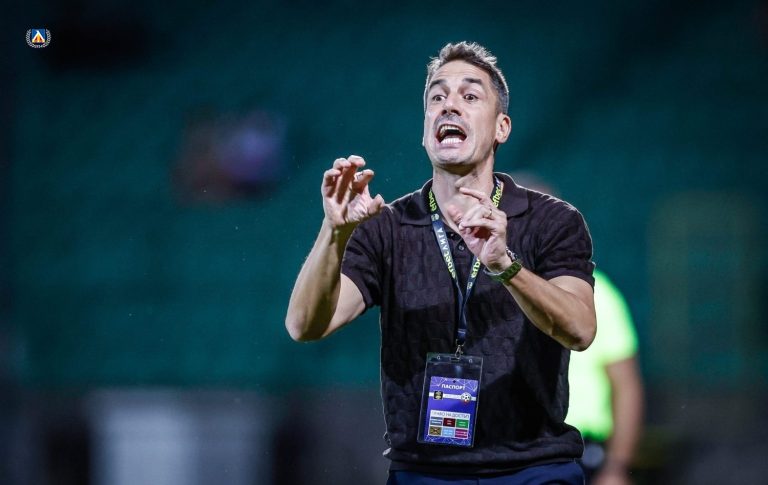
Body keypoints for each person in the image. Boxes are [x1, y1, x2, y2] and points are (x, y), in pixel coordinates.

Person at [285, 41, 596, 484]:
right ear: (425, 129)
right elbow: (305, 325)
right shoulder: (386, 227)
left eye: (470, 95)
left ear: (502, 127)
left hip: (533, 469)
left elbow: (581, 330)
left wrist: (505, 265)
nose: (449, 105)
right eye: (437, 97)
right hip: (424, 473)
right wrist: (333, 233)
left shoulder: (551, 221)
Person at [567, 269, 644, 485]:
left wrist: (616, 467)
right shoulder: (500, 280)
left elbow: (626, 385)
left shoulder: (598, 292)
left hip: (581, 449)